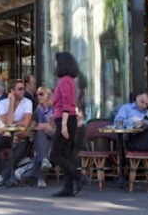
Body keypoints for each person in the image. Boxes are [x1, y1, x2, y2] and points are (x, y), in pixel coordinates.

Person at [49, 51, 86, 197]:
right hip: (67, 118)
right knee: (66, 153)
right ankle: (68, 187)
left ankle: (79, 177)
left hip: (66, 119)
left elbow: (66, 104)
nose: (55, 64)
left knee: (55, 155)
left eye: (56, 62)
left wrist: (63, 125)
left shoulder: (64, 80)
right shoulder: (70, 80)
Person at [0, 78, 33, 187]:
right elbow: (7, 122)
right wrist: (11, 103)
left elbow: (25, 123)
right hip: (5, 135)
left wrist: (12, 123)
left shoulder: (27, 102)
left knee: (22, 145)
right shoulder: (1, 104)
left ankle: (2, 176)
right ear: (12, 91)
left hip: (20, 135)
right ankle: (3, 173)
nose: (23, 91)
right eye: (20, 89)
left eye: (23, 89)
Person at [25, 86, 55, 188]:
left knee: (40, 143)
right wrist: (43, 126)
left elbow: (57, 128)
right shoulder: (38, 111)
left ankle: (40, 177)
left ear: (48, 96)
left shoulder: (55, 109)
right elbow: (32, 127)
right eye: (37, 94)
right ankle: (44, 161)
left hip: (55, 139)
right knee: (40, 135)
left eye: (41, 94)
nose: (38, 96)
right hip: (43, 139)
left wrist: (47, 126)